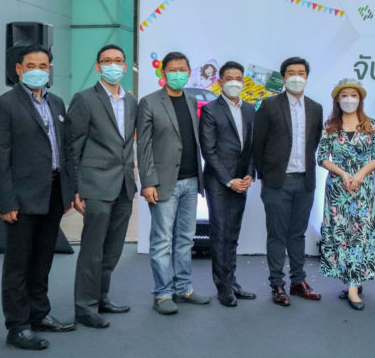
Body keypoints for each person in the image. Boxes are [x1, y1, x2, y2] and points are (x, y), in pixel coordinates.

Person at [0, 45, 76, 350]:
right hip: (22, 198)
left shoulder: (57, 103)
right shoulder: (4, 105)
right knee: (18, 265)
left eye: (43, 65)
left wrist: (69, 191)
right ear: (19, 69)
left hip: (54, 193)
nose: (38, 70)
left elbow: (66, 150)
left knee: (43, 259)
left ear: (49, 69)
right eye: (31, 65)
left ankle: (39, 314)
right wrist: (6, 202)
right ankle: (18, 326)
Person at [67, 44, 136, 329]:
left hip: (124, 185)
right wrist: (74, 188)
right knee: (92, 249)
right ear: (97, 66)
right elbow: (73, 146)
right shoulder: (84, 99)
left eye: (118, 61)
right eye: (107, 61)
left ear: (125, 66)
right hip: (95, 185)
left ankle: (101, 297)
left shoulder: (131, 101)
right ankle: (85, 307)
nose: (113, 65)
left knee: (113, 248)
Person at [137, 51, 210, 315]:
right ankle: (162, 294)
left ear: (189, 72)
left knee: (185, 240)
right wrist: (148, 182)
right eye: (172, 69)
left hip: (191, 181)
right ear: (163, 73)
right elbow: (143, 145)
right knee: (161, 242)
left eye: (182, 69)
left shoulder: (191, 100)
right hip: (163, 183)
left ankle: (184, 288)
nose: (178, 73)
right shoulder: (149, 102)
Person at [252, 57, 324, 306]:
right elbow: (258, 143)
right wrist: (266, 175)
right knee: (277, 236)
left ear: (307, 77)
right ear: (283, 78)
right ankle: (277, 284)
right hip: (277, 182)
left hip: (305, 182)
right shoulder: (269, 105)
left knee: (298, 234)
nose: (296, 77)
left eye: (301, 73)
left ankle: (298, 281)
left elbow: (314, 142)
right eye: (291, 73)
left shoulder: (315, 108)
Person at [316, 78, 375, 311]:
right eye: (344, 95)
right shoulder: (330, 125)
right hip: (338, 190)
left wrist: (361, 174)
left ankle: (354, 286)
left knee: (360, 236)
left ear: (360, 98)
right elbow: (322, 157)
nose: (349, 99)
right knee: (342, 236)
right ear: (337, 99)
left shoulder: (370, 125)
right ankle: (351, 280)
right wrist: (343, 173)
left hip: (362, 189)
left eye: (353, 95)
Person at [199, 61, 257, 307]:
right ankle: (222, 287)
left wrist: (250, 174)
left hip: (241, 181)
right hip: (219, 181)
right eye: (229, 78)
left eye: (239, 78)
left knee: (232, 233)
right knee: (220, 233)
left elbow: (252, 147)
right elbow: (209, 150)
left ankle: (232, 282)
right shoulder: (211, 110)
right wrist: (228, 180)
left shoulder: (250, 109)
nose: (235, 82)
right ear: (220, 81)